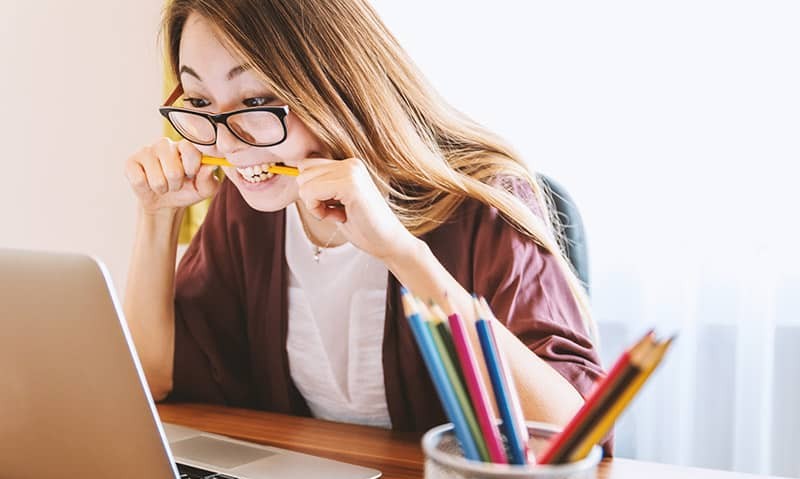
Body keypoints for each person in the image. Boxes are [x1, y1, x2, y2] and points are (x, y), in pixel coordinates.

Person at [123, 0, 608, 449]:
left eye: (254, 102)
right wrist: (158, 217)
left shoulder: (483, 202)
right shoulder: (247, 208)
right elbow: (152, 377)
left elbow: (571, 434)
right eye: (201, 102)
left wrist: (402, 252)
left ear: (335, 83)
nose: (228, 145)